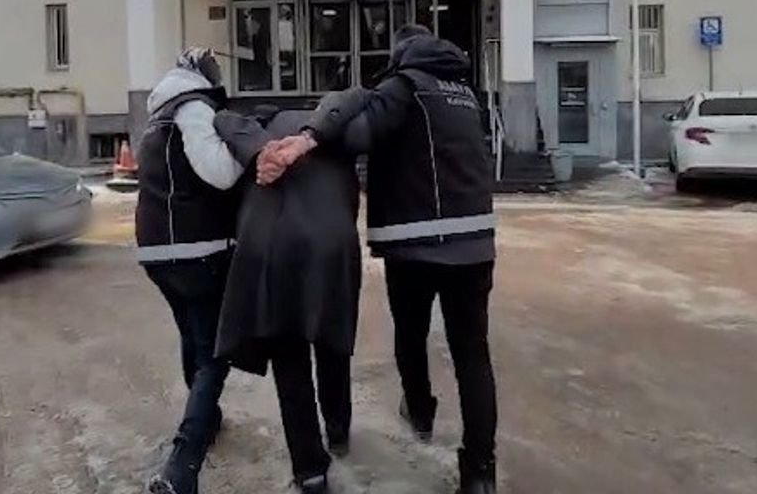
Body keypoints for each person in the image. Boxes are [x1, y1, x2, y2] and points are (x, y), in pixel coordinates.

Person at [263, 25, 498, 494]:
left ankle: (421, 411)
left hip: (414, 241)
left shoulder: (403, 85)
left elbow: (355, 135)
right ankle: (480, 473)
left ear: (401, 55)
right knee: (472, 353)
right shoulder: (464, 93)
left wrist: (316, 126)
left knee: (411, 335)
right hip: (475, 241)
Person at [209, 93, 370, 494]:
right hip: (330, 244)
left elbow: (223, 119)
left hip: (269, 248)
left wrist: (259, 150)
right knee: (333, 342)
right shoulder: (334, 130)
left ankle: (310, 470)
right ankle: (338, 430)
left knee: (288, 357)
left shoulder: (258, 129)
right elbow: (359, 95)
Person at [135, 47, 245, 494]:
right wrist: (245, 150)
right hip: (196, 249)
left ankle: (207, 419)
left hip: (158, 251)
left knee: (192, 336)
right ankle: (182, 467)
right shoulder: (193, 108)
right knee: (213, 355)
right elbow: (219, 173)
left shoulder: (158, 114)